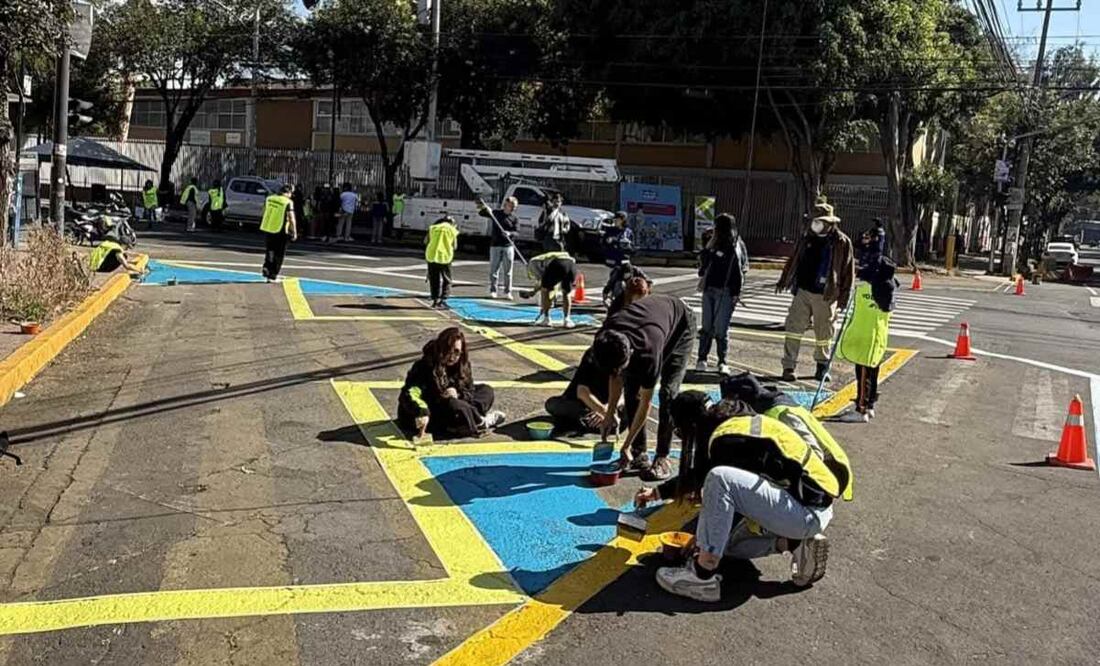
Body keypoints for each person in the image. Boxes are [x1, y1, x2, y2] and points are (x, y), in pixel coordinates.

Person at [634, 390, 852, 601]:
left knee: (719, 479)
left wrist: (703, 546)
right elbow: (707, 482)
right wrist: (658, 493)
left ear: (692, 425)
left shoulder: (726, 440)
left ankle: (702, 576)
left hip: (803, 513)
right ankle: (795, 544)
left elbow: (714, 483)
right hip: (808, 508)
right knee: (726, 545)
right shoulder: (740, 423)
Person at [592, 294, 696, 481]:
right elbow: (615, 375)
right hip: (657, 318)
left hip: (682, 325)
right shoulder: (606, 337)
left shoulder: (648, 350)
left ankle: (662, 457)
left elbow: (646, 402)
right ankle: (638, 454)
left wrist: (626, 443)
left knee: (668, 393)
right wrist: (609, 414)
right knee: (631, 391)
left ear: (631, 353)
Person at [775, 200, 854, 383]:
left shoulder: (841, 242)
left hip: (826, 295)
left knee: (824, 333)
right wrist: (784, 280)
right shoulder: (806, 238)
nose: (814, 224)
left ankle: (822, 367)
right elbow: (793, 259)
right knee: (794, 328)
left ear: (829, 223)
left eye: (818, 221)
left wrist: (844, 297)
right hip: (802, 290)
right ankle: (788, 366)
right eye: (813, 220)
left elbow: (848, 271)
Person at [397, 327, 506, 440]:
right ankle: (480, 422)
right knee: (455, 406)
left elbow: (469, 390)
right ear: (441, 348)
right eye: (448, 350)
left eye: (457, 352)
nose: (452, 356)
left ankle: (472, 418)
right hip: (431, 409)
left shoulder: (463, 366)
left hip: (455, 404)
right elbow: (411, 392)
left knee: (485, 391)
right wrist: (421, 411)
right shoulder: (424, 366)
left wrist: (458, 393)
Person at [835, 253, 898, 423]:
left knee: (863, 376)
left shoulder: (865, 291)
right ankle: (869, 405)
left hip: (864, 338)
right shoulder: (889, 290)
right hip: (878, 337)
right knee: (873, 372)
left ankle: (861, 409)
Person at [696, 213, 749, 376]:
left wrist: (735, 293)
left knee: (721, 328)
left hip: (725, 291)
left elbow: (740, 271)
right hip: (709, 288)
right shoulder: (713, 242)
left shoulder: (736, 245)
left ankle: (722, 361)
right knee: (706, 325)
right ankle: (702, 359)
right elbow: (702, 267)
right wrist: (708, 247)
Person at [545, 349, 626, 434]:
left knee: (626, 415)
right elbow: (582, 392)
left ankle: (589, 422)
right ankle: (593, 422)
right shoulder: (592, 355)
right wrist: (602, 411)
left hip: (611, 406)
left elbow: (625, 393)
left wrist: (610, 409)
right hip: (585, 404)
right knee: (552, 404)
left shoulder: (625, 358)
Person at [523, 250, 577, 328]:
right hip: (571, 264)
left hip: (556, 264)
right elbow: (553, 283)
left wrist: (533, 293)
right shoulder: (545, 257)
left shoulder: (533, 264)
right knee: (566, 292)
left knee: (545, 291)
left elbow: (543, 284)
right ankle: (567, 320)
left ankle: (546, 318)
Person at [479, 196, 519, 299]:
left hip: (508, 246)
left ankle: (507, 291)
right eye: (512, 206)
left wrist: (509, 233)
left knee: (508, 271)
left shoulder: (514, 218)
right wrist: (484, 208)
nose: (513, 208)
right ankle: (493, 290)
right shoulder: (496, 214)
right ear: (506, 205)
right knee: (494, 269)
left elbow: (517, 232)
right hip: (495, 245)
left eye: (514, 207)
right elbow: (482, 213)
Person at [260, 184, 298, 282]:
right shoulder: (288, 202)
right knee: (279, 253)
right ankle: (273, 275)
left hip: (268, 226)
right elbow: (291, 218)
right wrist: (294, 231)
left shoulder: (270, 198)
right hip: (281, 229)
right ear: (288, 193)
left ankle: (267, 268)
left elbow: (264, 210)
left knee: (270, 250)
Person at [425, 215, 459, 308]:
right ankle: (443, 299)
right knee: (447, 279)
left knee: (434, 279)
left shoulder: (433, 228)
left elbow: (426, 241)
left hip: (432, 256)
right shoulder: (452, 230)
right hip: (445, 257)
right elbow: (455, 246)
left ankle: (435, 299)